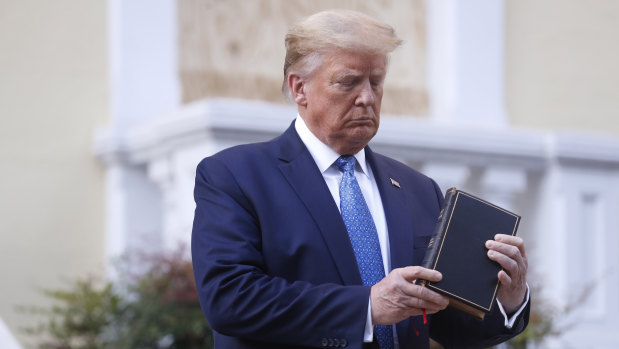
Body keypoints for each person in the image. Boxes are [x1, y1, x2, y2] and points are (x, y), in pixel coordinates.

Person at [192, 9, 529, 349]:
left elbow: (445, 322)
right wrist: (367, 307)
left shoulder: (418, 189)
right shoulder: (235, 176)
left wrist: (507, 300)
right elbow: (230, 299)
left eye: (376, 81)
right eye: (348, 82)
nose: (367, 97)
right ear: (299, 88)